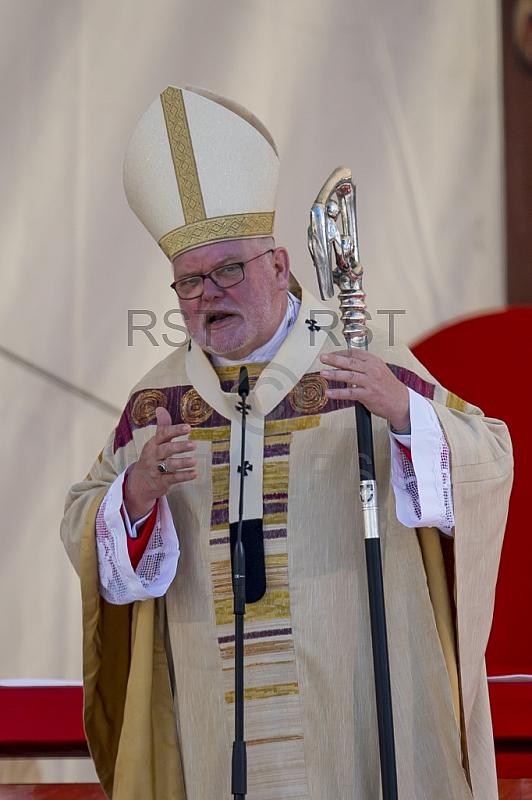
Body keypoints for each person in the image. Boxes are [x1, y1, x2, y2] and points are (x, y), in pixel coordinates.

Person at [61, 86, 513, 800]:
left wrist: (404, 415)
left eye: (229, 271)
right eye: (189, 282)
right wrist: (137, 493)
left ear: (278, 265)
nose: (208, 295)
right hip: (216, 723)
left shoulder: (364, 363)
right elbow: (88, 521)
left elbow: (490, 458)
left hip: (361, 709)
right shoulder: (158, 402)